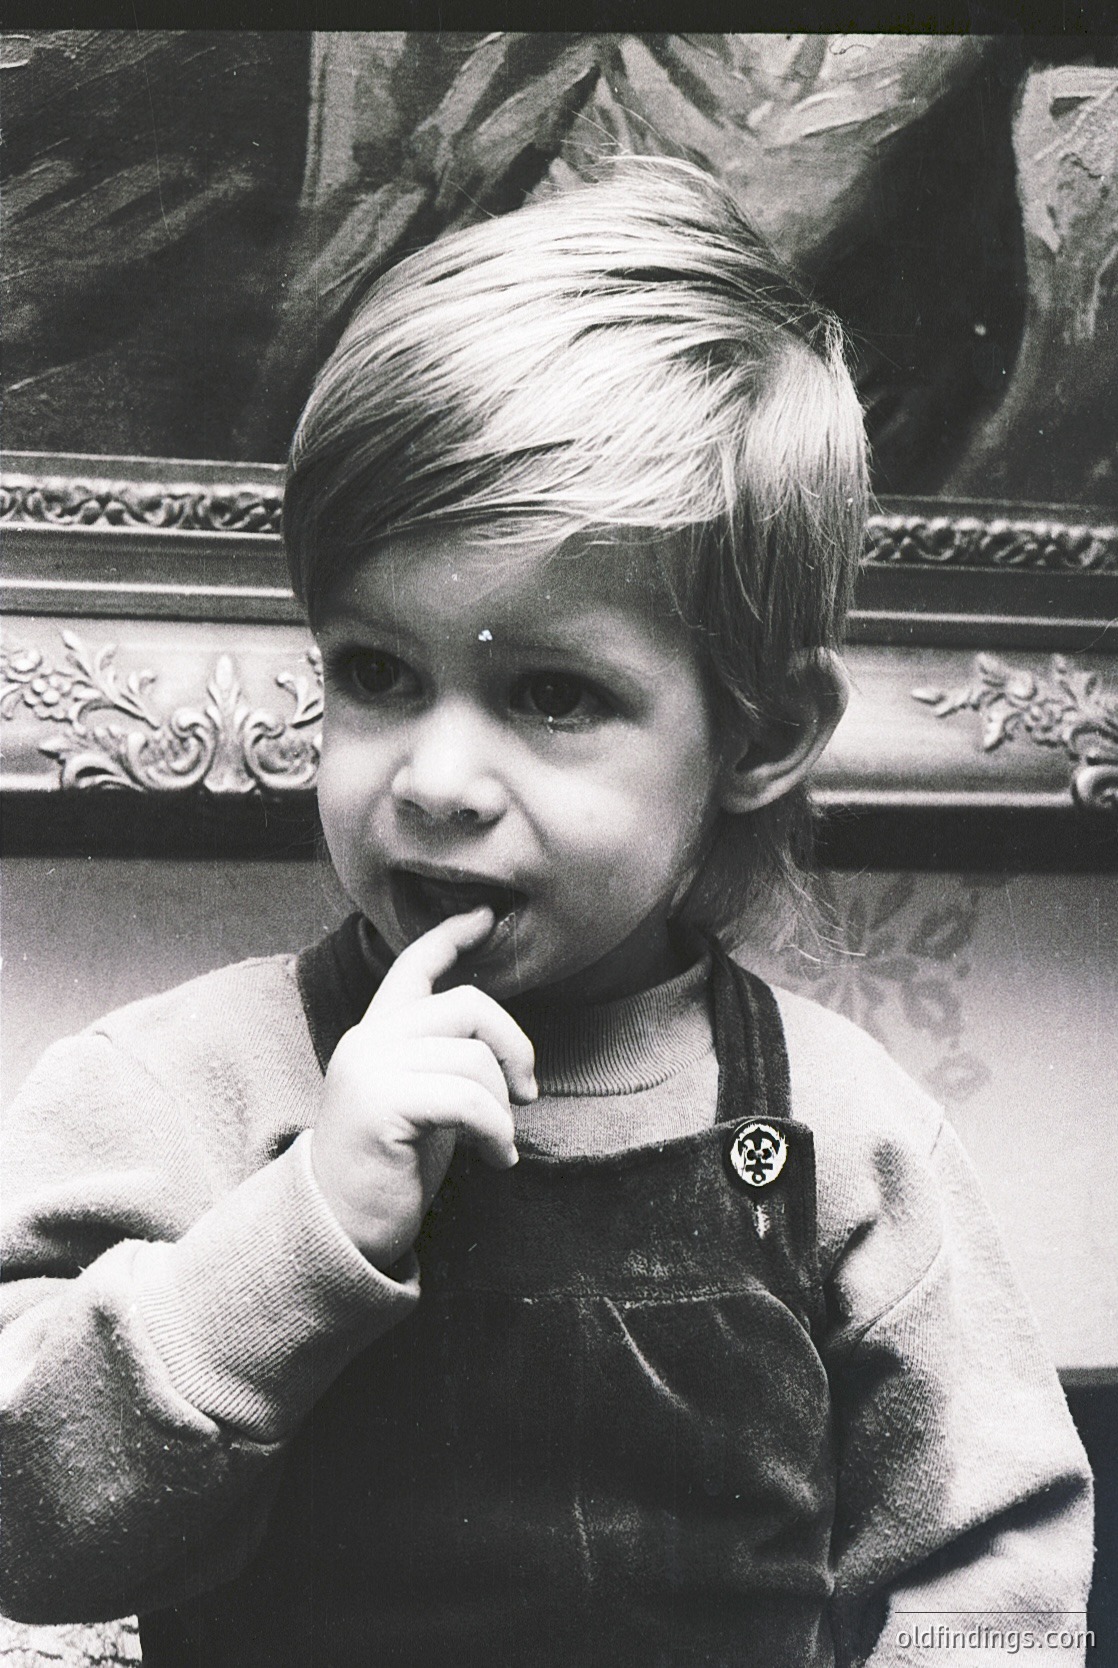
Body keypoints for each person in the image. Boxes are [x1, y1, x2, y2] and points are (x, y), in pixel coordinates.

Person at [1, 159, 1092, 1666]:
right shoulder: (178, 1090)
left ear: (763, 733)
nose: (436, 780)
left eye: (553, 695)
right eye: (375, 672)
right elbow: (30, 1532)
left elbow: (991, 1567)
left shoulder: (844, 1128)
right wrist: (305, 1229)